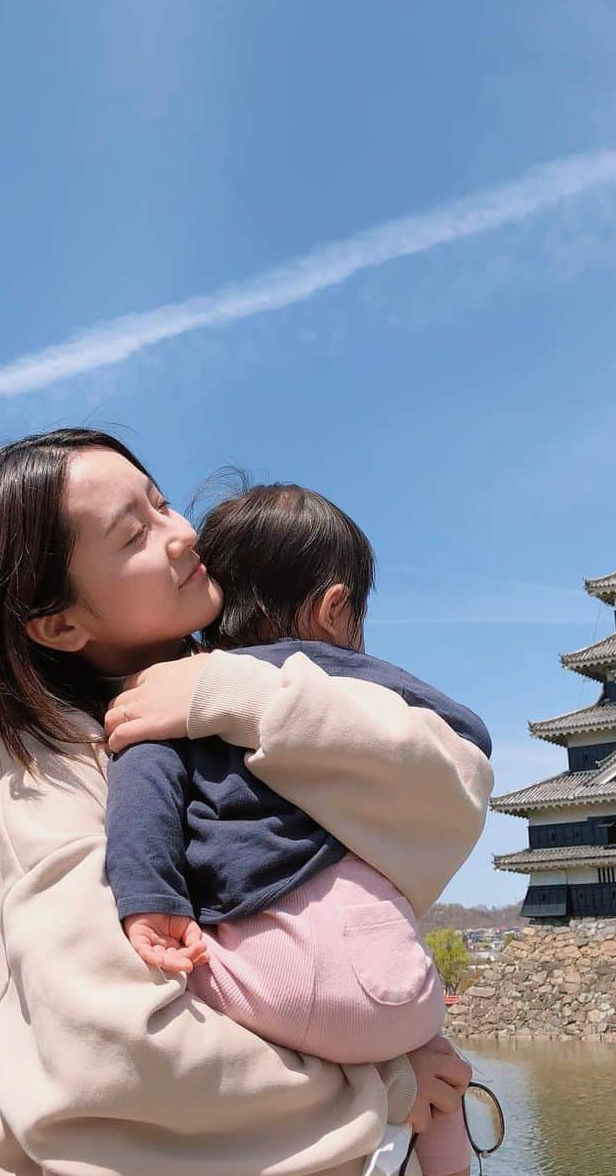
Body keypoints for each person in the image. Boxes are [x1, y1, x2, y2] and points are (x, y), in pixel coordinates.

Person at [0, 429, 492, 1176]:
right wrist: (383, 1085)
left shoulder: (246, 683)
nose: (182, 535)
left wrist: (230, 694)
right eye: (132, 534)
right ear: (59, 624)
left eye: (162, 503)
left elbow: (454, 783)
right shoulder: (48, 765)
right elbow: (113, 1047)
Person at [105, 483, 491, 1176]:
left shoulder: (172, 688)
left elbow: (142, 790)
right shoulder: (364, 683)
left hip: (263, 981)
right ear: (334, 608)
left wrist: (149, 901)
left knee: (191, 975)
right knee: (441, 1067)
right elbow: (468, 737)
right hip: (401, 989)